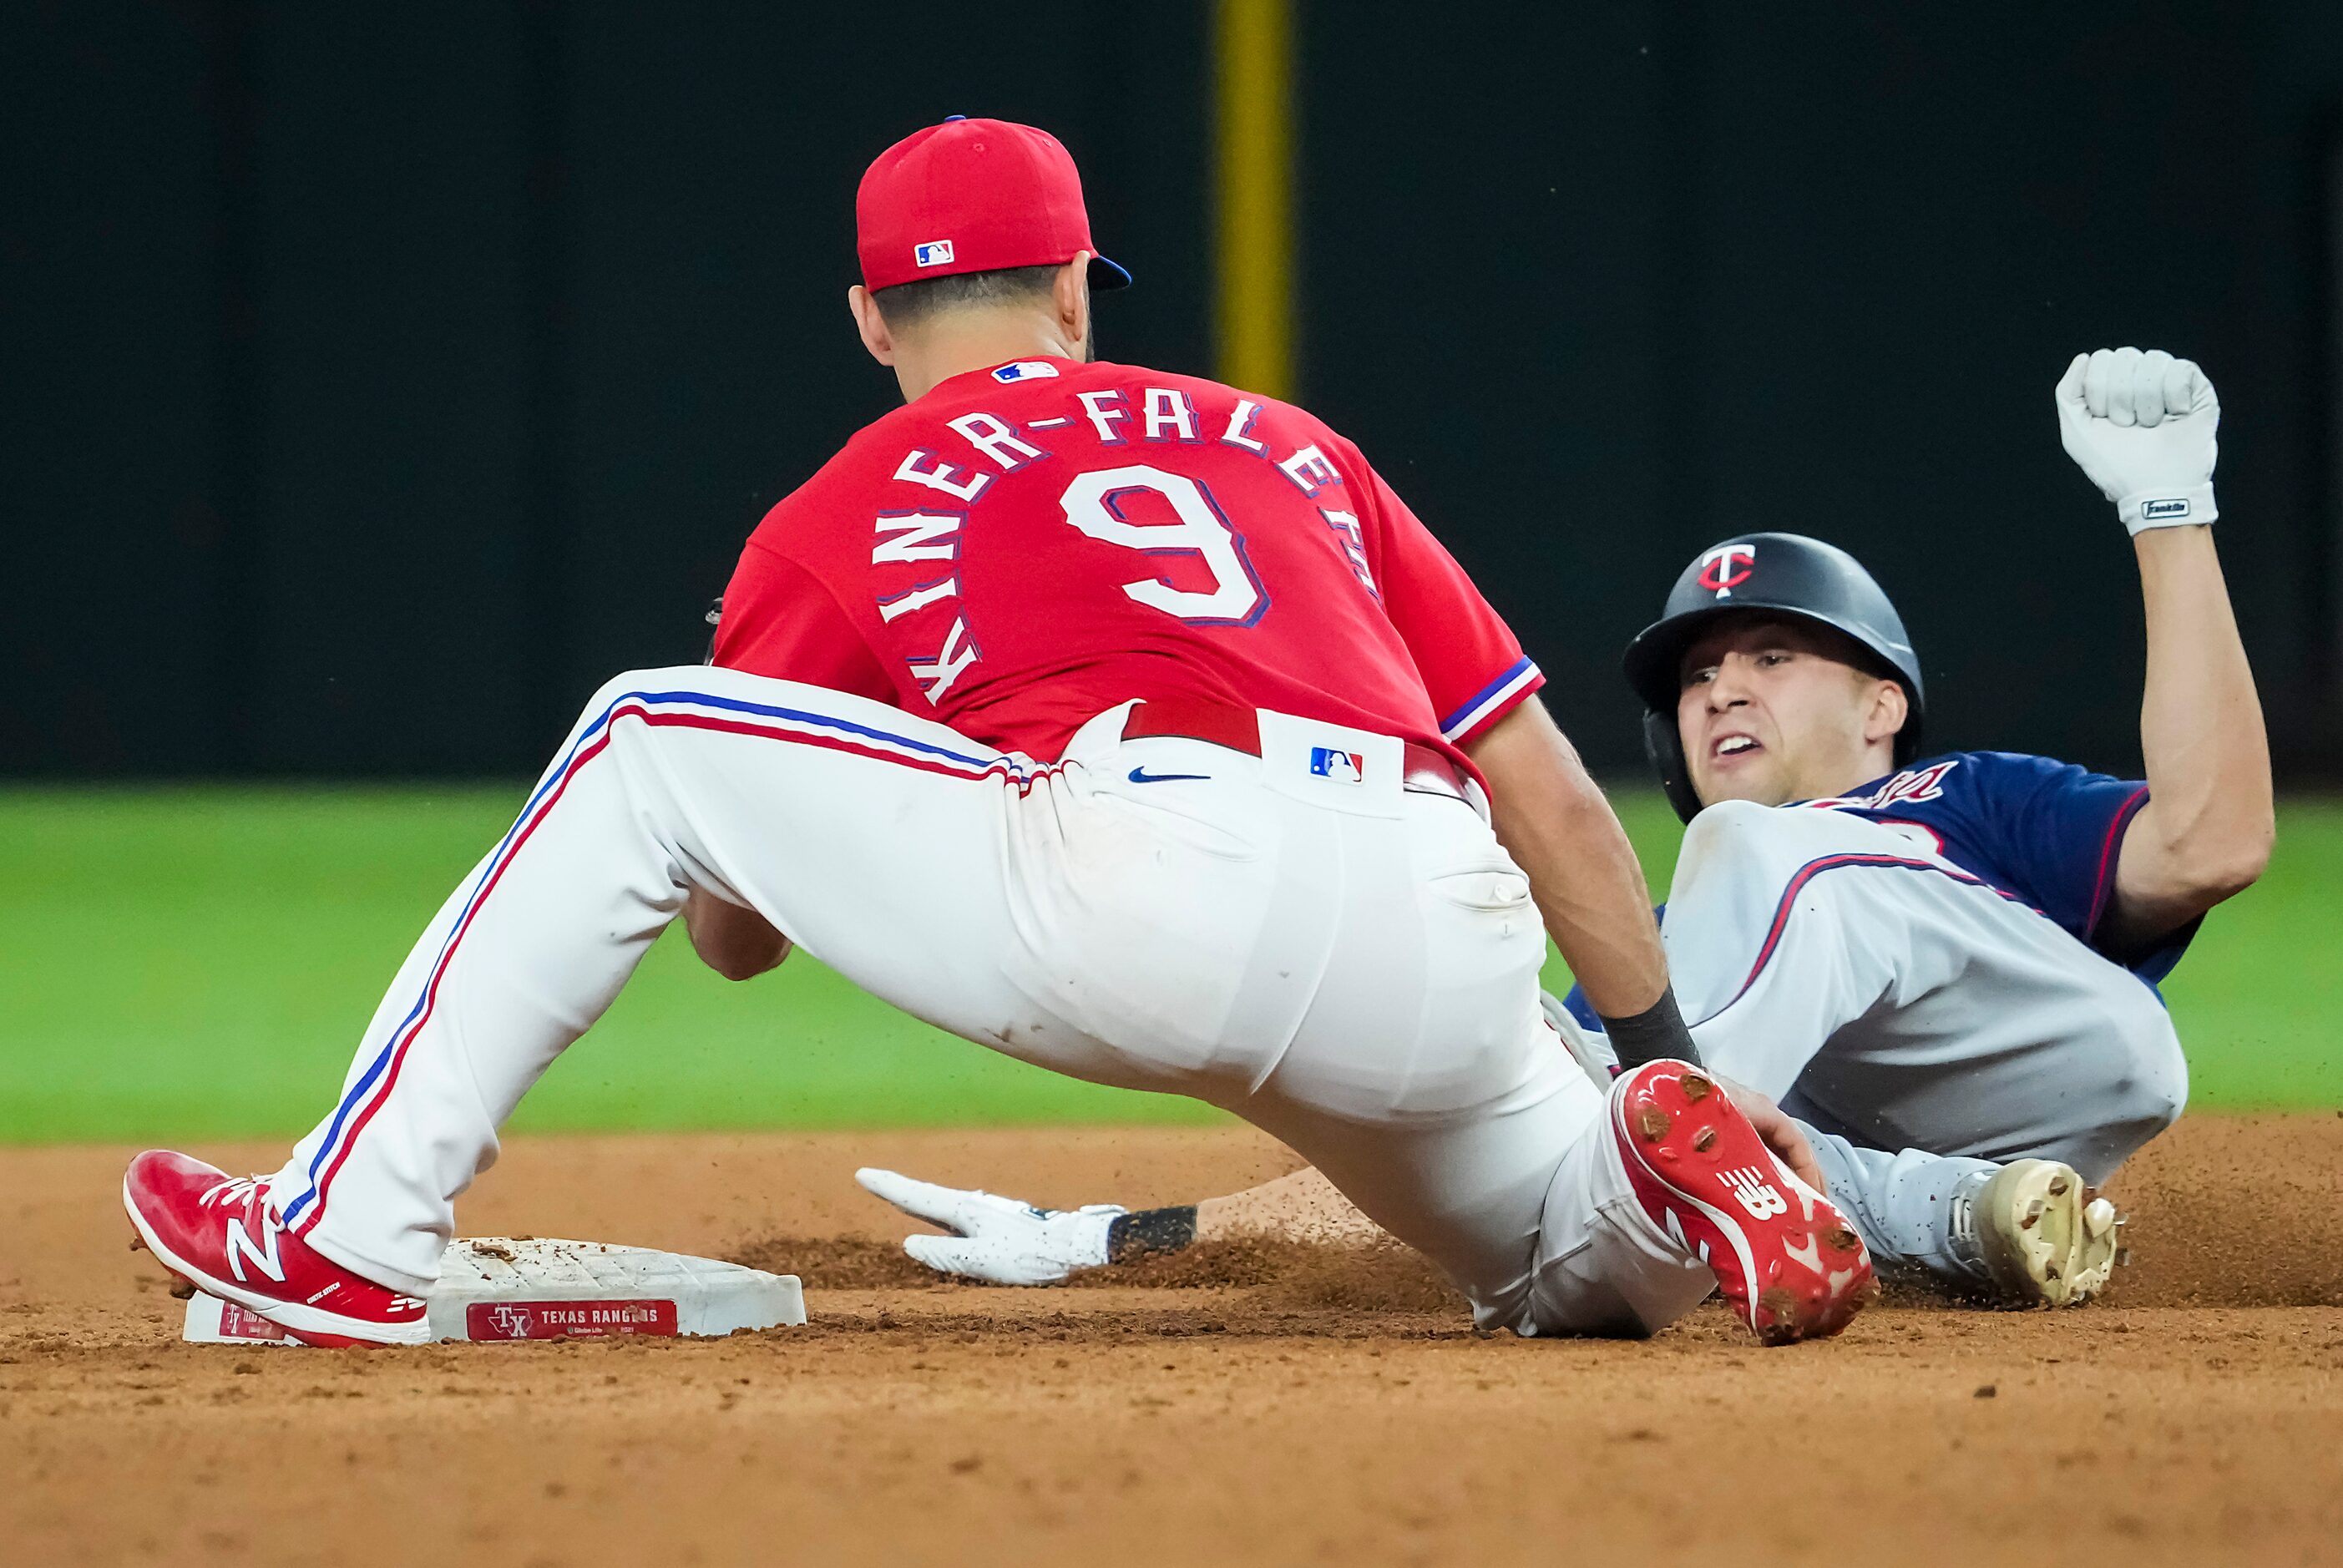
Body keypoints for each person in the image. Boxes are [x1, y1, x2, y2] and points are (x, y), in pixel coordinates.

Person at [118, 117, 1875, 1348]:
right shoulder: (1288, 443)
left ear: (872, 318)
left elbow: (729, 940)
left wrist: (825, 797)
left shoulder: (843, 502)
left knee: (646, 734)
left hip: (1144, 869)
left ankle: (345, 1239)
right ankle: (1659, 1181)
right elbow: (1549, 794)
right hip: (1435, 914)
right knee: (1554, 1266)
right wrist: (1663, 1050)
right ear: (1077, 295)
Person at [860, 347, 2271, 1308]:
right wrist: (1127, 1235)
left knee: (1727, 917)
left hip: (2060, 1045)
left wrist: (2169, 513)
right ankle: (1942, 1216)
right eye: (1698, 673)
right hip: (1858, 1125)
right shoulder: (1711, 955)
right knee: (1529, 1059)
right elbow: (1440, 1159)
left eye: (1772, 653)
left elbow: (2209, 844)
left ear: (1884, 701)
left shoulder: (1961, 803)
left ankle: (1718, 1177)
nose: (1721, 685)